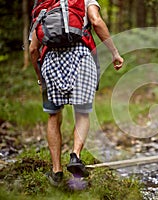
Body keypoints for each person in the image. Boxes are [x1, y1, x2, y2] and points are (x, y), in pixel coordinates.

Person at [29, 0, 124, 186]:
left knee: (53, 115)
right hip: (80, 56)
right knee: (82, 111)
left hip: (51, 59)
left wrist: (40, 77)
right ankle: (75, 156)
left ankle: (56, 171)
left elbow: (33, 49)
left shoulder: (43, 4)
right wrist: (115, 53)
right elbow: (96, 21)